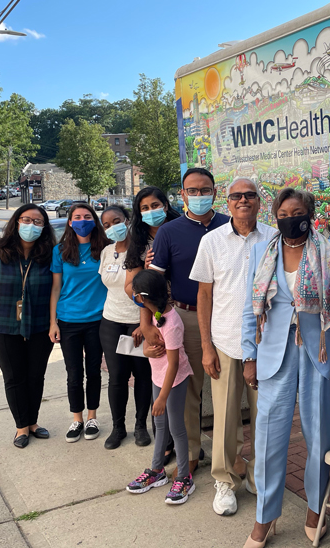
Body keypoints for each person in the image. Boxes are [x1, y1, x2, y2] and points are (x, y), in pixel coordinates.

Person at [241, 188, 330, 548]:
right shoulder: (262, 251)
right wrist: (248, 356)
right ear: (276, 215)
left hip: (316, 350)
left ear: (309, 213)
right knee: (268, 435)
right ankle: (265, 518)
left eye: (296, 211)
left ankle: (315, 509)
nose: (289, 217)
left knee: (318, 433)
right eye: (282, 212)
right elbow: (248, 305)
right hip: (273, 349)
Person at [190, 177, 275, 517]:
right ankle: (225, 480)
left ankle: (259, 472)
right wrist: (206, 346)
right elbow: (204, 295)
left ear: (258, 201)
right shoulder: (212, 242)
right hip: (224, 341)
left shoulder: (274, 238)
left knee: (265, 415)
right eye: (236, 196)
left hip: (267, 343)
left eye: (249, 195)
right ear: (227, 202)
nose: (243, 200)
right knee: (225, 417)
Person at [145, 168, 230, 474]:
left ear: (215, 193)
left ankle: (227, 455)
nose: (198, 196)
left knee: (226, 390)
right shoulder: (170, 232)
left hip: (226, 318)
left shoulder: (230, 225)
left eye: (204, 190)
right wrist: (148, 324)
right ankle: (192, 451)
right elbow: (151, 285)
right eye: (191, 191)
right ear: (181, 195)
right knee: (189, 389)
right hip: (187, 318)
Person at [0, 204, 56, 448]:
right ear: (16, 222)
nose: (32, 226)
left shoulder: (50, 254)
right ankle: (21, 426)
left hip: (40, 326)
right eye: (26, 220)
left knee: (36, 375)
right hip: (2, 325)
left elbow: (58, 289)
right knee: (14, 376)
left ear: (44, 227)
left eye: (38, 222)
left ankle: (33, 422)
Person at [125, 270, 195, 505]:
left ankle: (185, 477)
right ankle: (156, 471)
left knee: (177, 429)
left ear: (144, 297)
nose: (134, 297)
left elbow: (174, 364)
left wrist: (163, 397)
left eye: (136, 294)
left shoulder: (172, 323)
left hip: (172, 381)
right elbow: (150, 350)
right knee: (159, 425)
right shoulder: (155, 314)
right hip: (158, 377)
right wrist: (146, 351)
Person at [124, 187, 182, 458]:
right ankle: (165, 445)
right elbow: (132, 288)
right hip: (158, 318)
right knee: (160, 378)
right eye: (144, 207)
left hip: (184, 313)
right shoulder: (137, 241)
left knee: (185, 383)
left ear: (166, 204)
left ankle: (186, 443)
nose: (150, 211)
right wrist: (145, 323)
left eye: (155, 205)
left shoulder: (181, 229)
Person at [50, 204, 110, 443]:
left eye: (87, 217)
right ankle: (77, 418)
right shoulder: (60, 251)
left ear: (94, 221)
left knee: (94, 371)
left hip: (98, 320)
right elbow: (55, 288)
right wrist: (52, 322)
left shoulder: (105, 249)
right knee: (74, 373)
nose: (82, 221)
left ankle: (93, 417)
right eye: (77, 217)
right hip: (68, 321)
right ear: (70, 222)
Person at [98, 205, 152, 450]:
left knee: (142, 375)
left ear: (128, 220)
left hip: (138, 322)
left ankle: (141, 425)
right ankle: (118, 427)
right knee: (117, 377)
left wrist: (145, 322)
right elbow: (108, 286)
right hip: (111, 321)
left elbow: (150, 287)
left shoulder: (142, 250)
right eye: (107, 225)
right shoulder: (107, 252)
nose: (112, 227)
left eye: (116, 221)